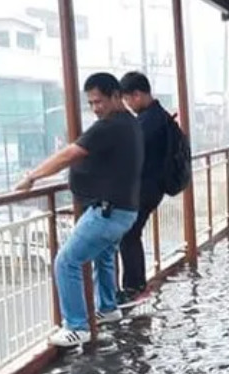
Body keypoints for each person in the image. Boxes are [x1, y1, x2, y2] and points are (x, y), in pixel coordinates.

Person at [15, 73, 144, 348]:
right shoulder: (130, 124)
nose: (95, 108)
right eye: (91, 104)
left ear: (114, 96)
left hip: (108, 212)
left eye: (99, 102)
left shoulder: (108, 127)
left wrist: (32, 177)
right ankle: (108, 308)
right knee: (105, 256)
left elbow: (68, 155)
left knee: (66, 262)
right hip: (125, 211)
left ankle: (76, 327)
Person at [117, 71, 171, 308]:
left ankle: (134, 288)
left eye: (128, 99)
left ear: (137, 95)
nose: (128, 105)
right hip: (154, 187)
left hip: (145, 188)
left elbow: (132, 155)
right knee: (131, 234)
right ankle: (136, 285)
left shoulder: (147, 122)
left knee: (128, 234)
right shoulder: (160, 116)